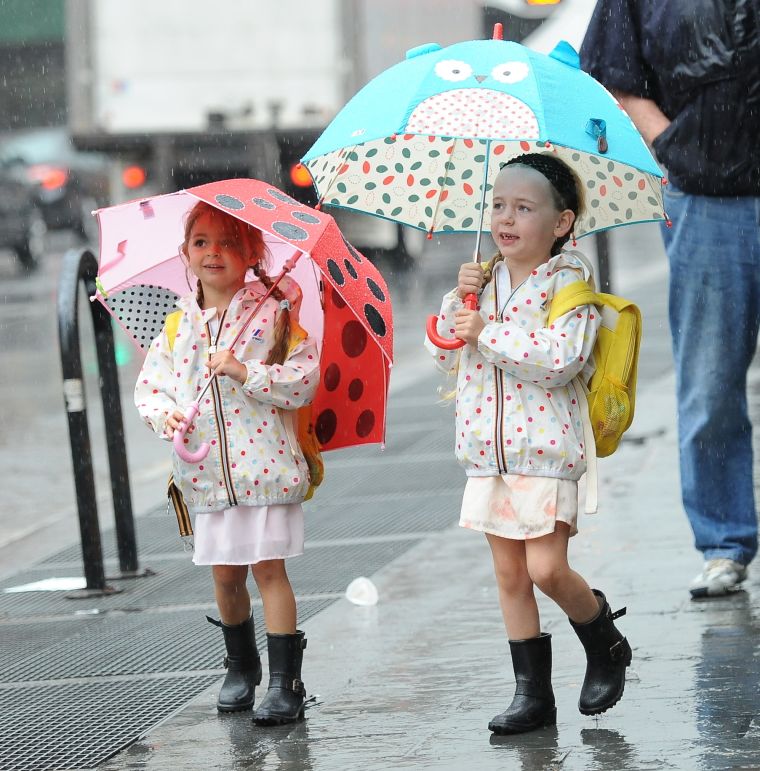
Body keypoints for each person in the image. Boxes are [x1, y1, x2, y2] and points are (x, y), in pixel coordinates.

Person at [425, 153, 632, 735]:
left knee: (545, 568)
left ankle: (604, 640)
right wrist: (456, 307)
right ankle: (531, 693)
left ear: (562, 222)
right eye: (498, 206)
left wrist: (487, 333)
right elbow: (445, 354)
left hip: (544, 450)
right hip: (488, 454)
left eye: (523, 207)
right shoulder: (482, 279)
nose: (505, 219)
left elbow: (561, 361)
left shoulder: (570, 285)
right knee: (510, 576)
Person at [581, 1, 760, 598]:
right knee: (710, 384)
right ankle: (723, 544)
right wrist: (680, 145)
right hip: (705, 198)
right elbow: (617, 75)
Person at [134, 201, 320, 725]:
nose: (214, 253)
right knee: (225, 577)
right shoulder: (175, 328)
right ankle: (241, 666)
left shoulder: (276, 315)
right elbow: (151, 391)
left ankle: (287, 683)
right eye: (202, 242)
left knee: (269, 572)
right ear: (184, 253)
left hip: (264, 471)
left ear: (253, 253)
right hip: (208, 477)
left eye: (230, 243)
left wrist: (245, 372)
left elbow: (302, 381)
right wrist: (166, 416)